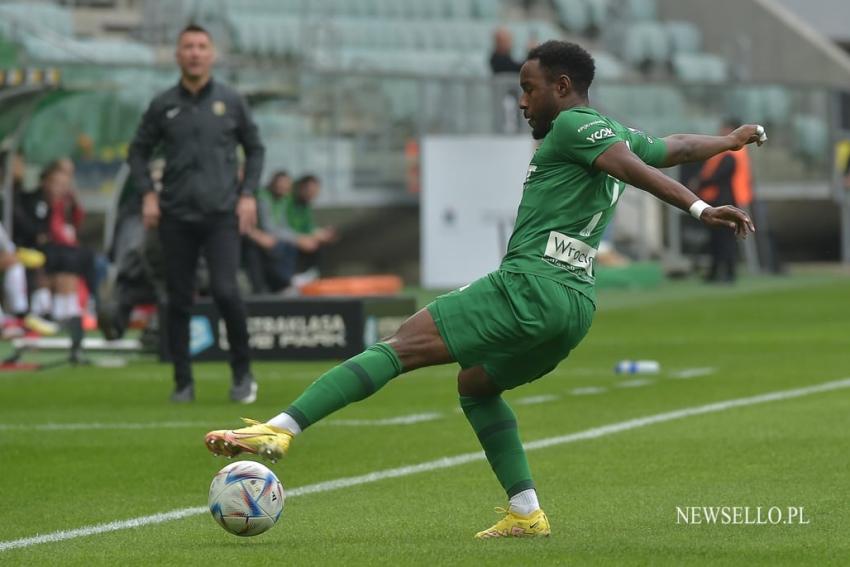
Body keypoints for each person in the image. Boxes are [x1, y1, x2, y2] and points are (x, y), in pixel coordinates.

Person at [204, 41, 763, 538]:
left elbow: (634, 166)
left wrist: (699, 206)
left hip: (530, 286)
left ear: (562, 89)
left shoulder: (575, 127)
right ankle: (526, 511)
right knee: (475, 385)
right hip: (576, 306)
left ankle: (277, 433)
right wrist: (729, 141)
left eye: (528, 89)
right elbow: (674, 146)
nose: (522, 102)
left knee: (398, 346)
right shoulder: (611, 132)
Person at [128, 24, 265, 403]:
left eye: (202, 46)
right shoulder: (162, 104)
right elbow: (137, 152)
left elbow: (255, 149)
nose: (195, 52)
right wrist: (148, 195)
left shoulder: (232, 101)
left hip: (222, 214)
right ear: (177, 54)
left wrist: (248, 194)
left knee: (225, 290)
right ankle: (182, 383)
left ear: (212, 55)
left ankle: (243, 375)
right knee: (178, 299)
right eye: (188, 46)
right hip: (175, 215)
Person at [696, 120, 754, 283]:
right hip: (720, 198)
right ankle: (717, 272)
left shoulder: (732, 153)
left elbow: (720, 175)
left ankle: (728, 273)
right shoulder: (729, 151)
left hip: (726, 199)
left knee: (725, 239)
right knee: (717, 239)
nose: (720, 131)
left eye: (724, 128)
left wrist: (700, 182)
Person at [243, 171, 301, 293]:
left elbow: (282, 225)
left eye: (286, 185)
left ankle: (286, 283)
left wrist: (297, 237)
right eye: (281, 184)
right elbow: (267, 227)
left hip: (269, 238)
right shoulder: (262, 197)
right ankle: (282, 284)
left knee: (290, 245)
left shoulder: (283, 199)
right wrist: (296, 238)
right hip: (250, 237)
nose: (283, 188)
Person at [286, 174, 335, 285]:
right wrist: (301, 238)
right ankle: (293, 280)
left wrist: (322, 233)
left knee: (322, 242)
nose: (313, 194)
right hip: (288, 238)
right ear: (301, 188)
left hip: (299, 237)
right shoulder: (288, 202)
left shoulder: (305, 205)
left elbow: (308, 227)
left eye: (316, 191)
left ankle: (313, 276)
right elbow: (286, 227)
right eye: (310, 190)